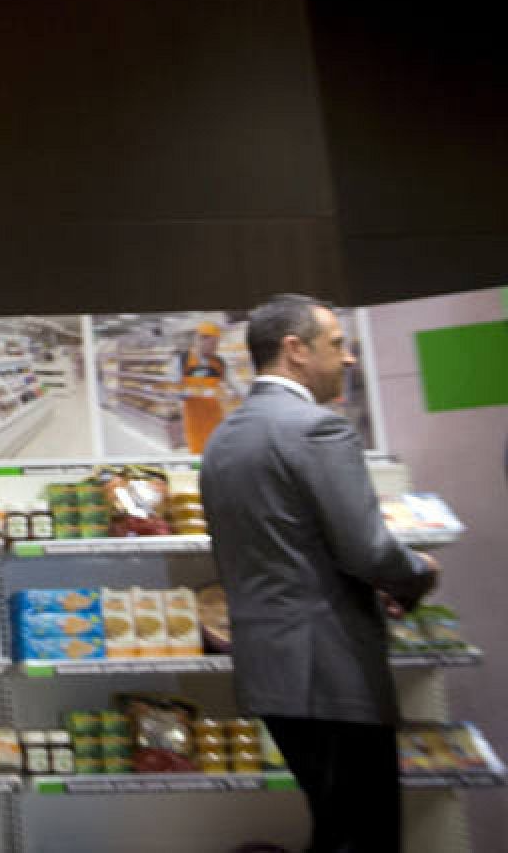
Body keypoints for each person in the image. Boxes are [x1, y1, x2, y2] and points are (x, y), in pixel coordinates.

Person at [200, 294, 439, 853]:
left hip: (271, 671)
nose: (349, 358)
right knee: (366, 835)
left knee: (334, 826)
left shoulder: (221, 442)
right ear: (294, 350)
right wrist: (418, 573)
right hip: (334, 670)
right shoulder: (317, 429)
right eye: (336, 344)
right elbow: (368, 551)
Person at [177, 320, 240, 454]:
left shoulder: (219, 363)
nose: (215, 348)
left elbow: (237, 385)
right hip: (194, 423)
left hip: (216, 420)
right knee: (197, 460)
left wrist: (254, 393)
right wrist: (190, 392)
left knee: (217, 454)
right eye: (212, 344)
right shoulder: (182, 361)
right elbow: (171, 388)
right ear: (200, 340)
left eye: (217, 344)